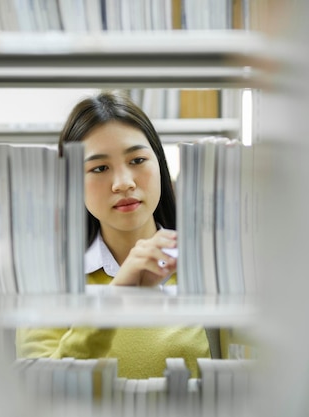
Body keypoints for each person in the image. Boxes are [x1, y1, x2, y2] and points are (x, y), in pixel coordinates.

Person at [16, 91, 217, 379]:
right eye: (99, 168)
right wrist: (114, 301)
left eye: (136, 160)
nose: (123, 183)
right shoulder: (47, 278)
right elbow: (38, 390)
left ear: (159, 163)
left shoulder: (207, 264)